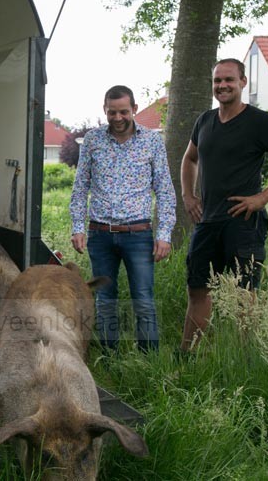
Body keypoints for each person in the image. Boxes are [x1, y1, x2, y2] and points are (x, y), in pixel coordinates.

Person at [179, 58, 268, 353]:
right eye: (217, 81)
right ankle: (189, 356)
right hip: (208, 222)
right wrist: (188, 195)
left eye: (229, 80)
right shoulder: (205, 121)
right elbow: (189, 159)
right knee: (197, 290)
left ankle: (243, 361)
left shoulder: (260, 122)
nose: (222, 86)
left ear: (243, 83)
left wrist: (262, 198)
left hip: (243, 222)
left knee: (244, 295)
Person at [70, 85, 176, 353]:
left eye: (124, 112)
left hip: (138, 234)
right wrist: (77, 228)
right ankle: (109, 356)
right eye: (112, 112)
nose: (118, 118)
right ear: (104, 110)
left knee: (143, 297)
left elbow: (164, 189)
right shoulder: (93, 141)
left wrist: (164, 234)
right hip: (100, 234)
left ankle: (149, 359)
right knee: (105, 297)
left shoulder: (152, 141)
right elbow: (80, 186)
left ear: (135, 110)